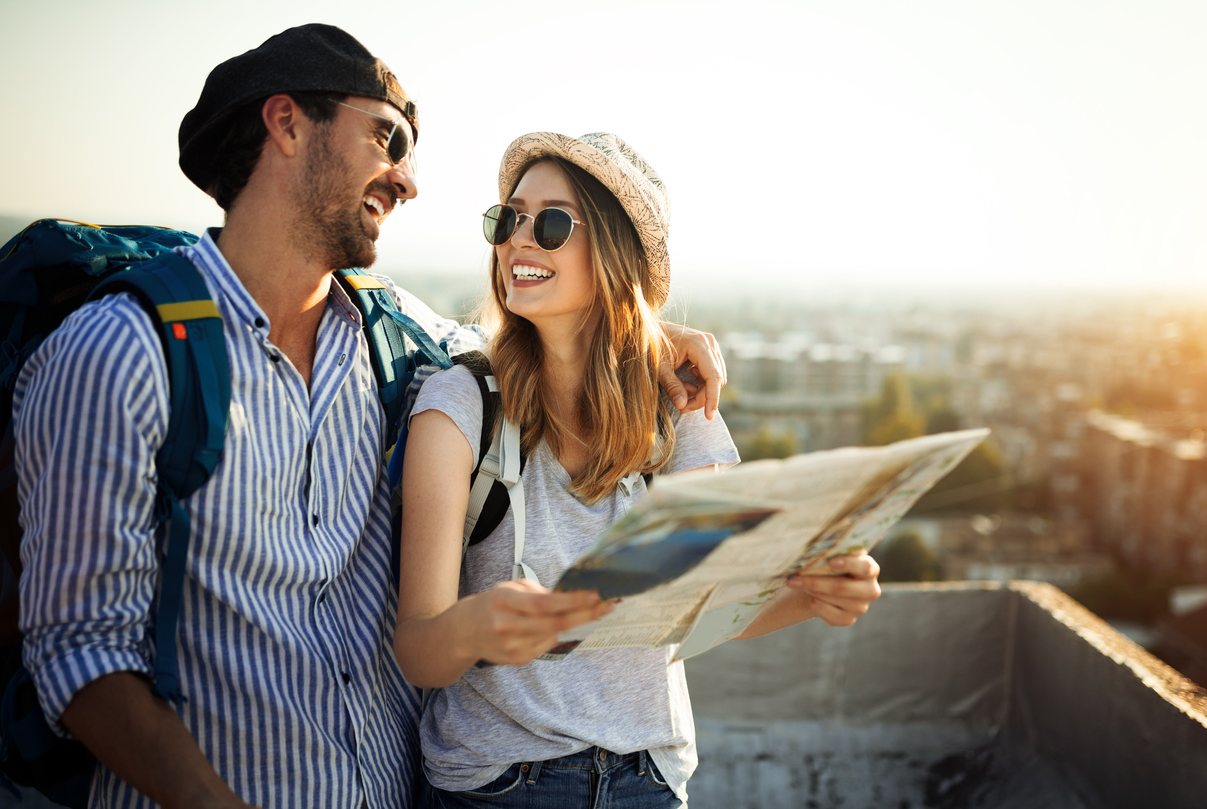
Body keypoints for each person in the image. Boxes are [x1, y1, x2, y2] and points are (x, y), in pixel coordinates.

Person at [13, 26, 726, 809]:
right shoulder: (119, 352)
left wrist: (651, 335)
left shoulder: (394, 341)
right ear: (286, 124)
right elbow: (81, 656)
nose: (409, 180)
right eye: (388, 138)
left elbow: (546, 343)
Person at [394, 132, 883, 809]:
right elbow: (418, 645)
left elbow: (690, 606)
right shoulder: (459, 403)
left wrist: (814, 593)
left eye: (553, 222)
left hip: (649, 781)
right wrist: (477, 626)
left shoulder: (682, 407)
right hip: (499, 786)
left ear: (615, 253)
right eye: (507, 217)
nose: (518, 240)